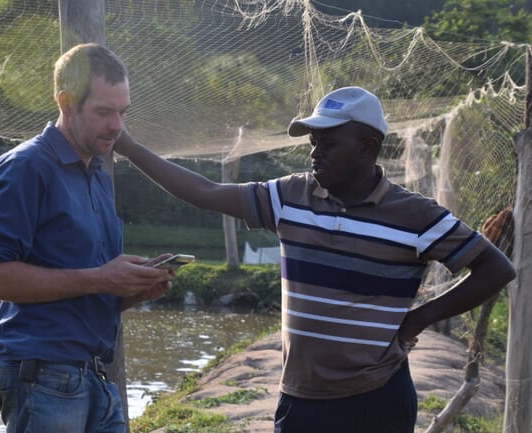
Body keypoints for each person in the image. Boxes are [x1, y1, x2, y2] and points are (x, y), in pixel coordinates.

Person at [113, 86, 516, 433]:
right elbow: (206, 191)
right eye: (313, 142)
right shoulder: (290, 197)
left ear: (367, 147)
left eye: (328, 143)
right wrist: (128, 146)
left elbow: (496, 268)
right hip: (301, 399)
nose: (314, 153)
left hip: (377, 399)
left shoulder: (415, 215)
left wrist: (419, 317)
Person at [0, 43, 174, 433]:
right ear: (66, 103)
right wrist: (101, 278)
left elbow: (87, 287)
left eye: (122, 112)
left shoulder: (98, 173)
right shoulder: (25, 167)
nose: (117, 126)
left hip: (96, 375)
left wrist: (134, 288)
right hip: (41, 375)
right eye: (103, 112)